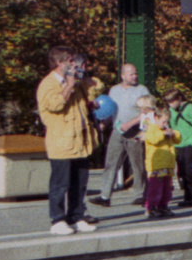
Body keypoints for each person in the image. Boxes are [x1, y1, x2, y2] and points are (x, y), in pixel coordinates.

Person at [36, 45, 104, 235]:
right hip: (62, 143)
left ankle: (76, 217)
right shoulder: (48, 84)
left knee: (80, 183)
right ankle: (57, 220)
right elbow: (55, 105)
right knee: (60, 184)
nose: (75, 64)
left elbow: (95, 90)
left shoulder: (77, 81)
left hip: (81, 141)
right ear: (59, 63)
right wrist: (69, 85)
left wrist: (83, 80)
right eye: (71, 61)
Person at [93, 63, 150, 208]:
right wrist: (104, 123)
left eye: (136, 73)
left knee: (137, 164)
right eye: (131, 74)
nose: (135, 76)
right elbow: (112, 110)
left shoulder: (142, 90)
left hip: (135, 131)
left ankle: (139, 194)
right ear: (123, 76)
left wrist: (131, 123)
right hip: (117, 131)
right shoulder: (114, 90)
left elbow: (147, 111)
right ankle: (105, 196)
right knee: (111, 163)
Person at [162, 88, 192, 207]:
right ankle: (191, 194)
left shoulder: (190, 108)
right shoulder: (170, 110)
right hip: (178, 142)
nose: (170, 105)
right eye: (168, 102)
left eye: (172, 101)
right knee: (181, 170)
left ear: (179, 98)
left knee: (188, 167)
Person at [136, 96, 179, 219]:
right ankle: (151, 207)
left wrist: (173, 133)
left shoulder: (166, 129)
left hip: (167, 165)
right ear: (156, 118)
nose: (165, 124)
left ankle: (163, 206)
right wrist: (163, 134)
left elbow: (177, 139)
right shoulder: (152, 129)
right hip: (156, 165)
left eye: (167, 122)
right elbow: (153, 139)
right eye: (163, 122)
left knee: (167, 188)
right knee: (155, 188)